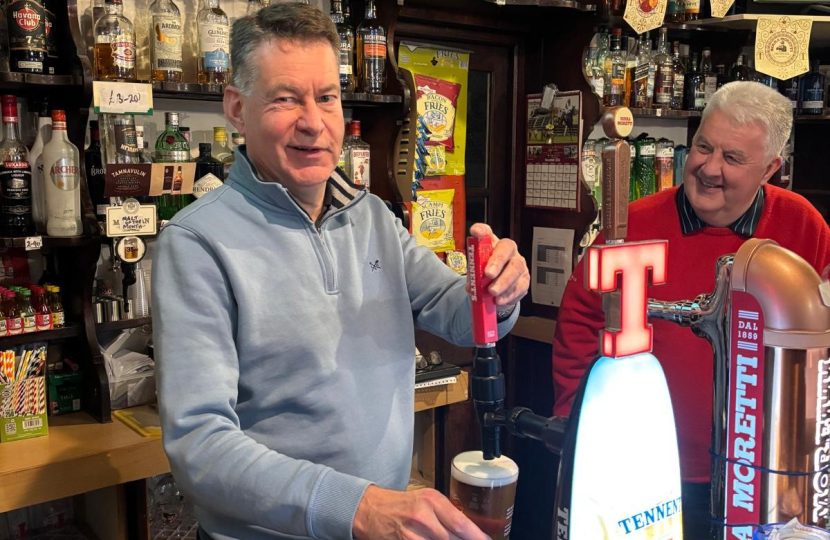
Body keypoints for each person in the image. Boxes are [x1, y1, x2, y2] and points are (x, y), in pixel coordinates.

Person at [152, 4, 530, 540]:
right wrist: (356, 506)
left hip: (379, 525)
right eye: (286, 98)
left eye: (326, 97)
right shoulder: (196, 244)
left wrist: (498, 287)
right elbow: (200, 447)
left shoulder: (372, 215)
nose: (313, 121)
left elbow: (458, 316)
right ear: (236, 109)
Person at [552, 81, 830, 537]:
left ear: (771, 168)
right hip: (650, 474)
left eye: (733, 158)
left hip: (764, 479)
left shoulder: (803, 224)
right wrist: (577, 424)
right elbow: (580, 322)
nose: (709, 168)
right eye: (703, 146)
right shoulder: (634, 222)